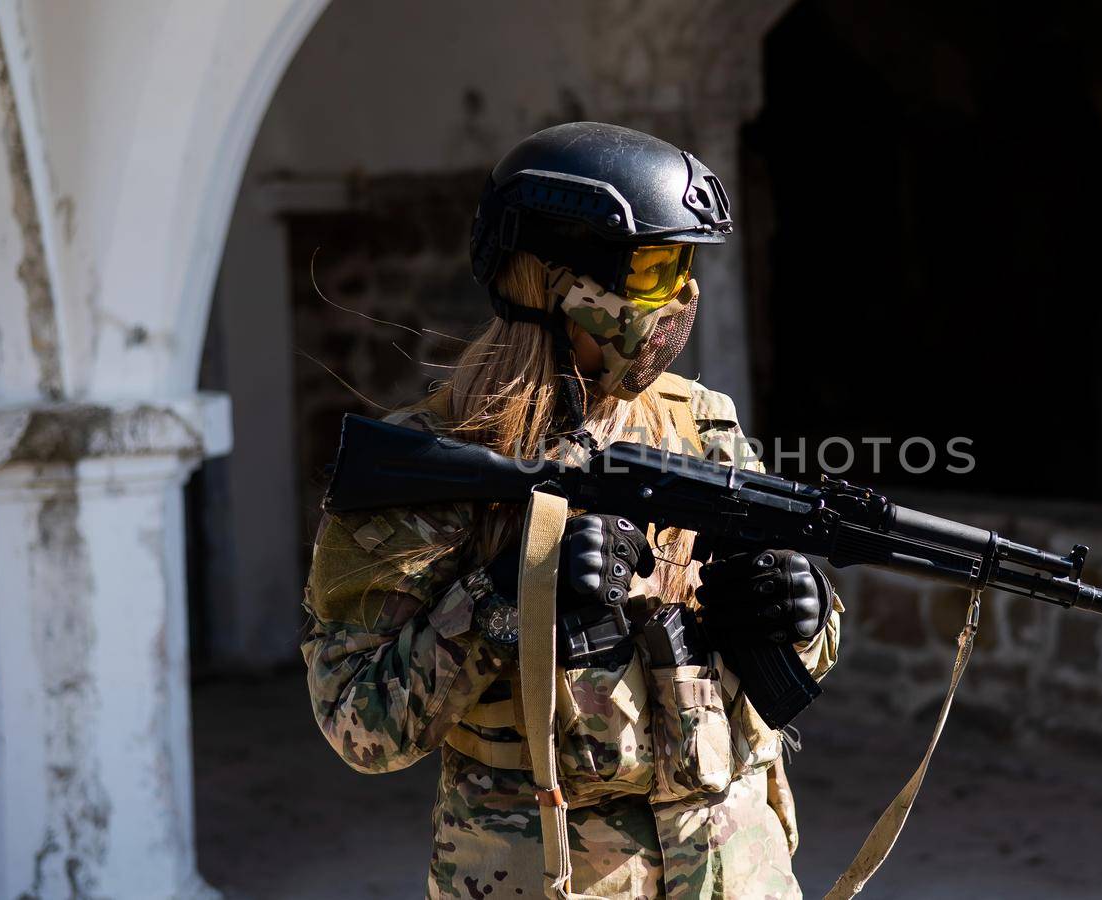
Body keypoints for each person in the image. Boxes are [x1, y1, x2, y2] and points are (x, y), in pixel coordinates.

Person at [301, 122, 843, 900]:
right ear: (560, 285)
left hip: (736, 870)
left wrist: (805, 610)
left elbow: (805, 658)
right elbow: (361, 725)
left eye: (687, 265)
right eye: (657, 269)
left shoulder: (701, 425)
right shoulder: (431, 464)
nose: (685, 294)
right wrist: (508, 598)